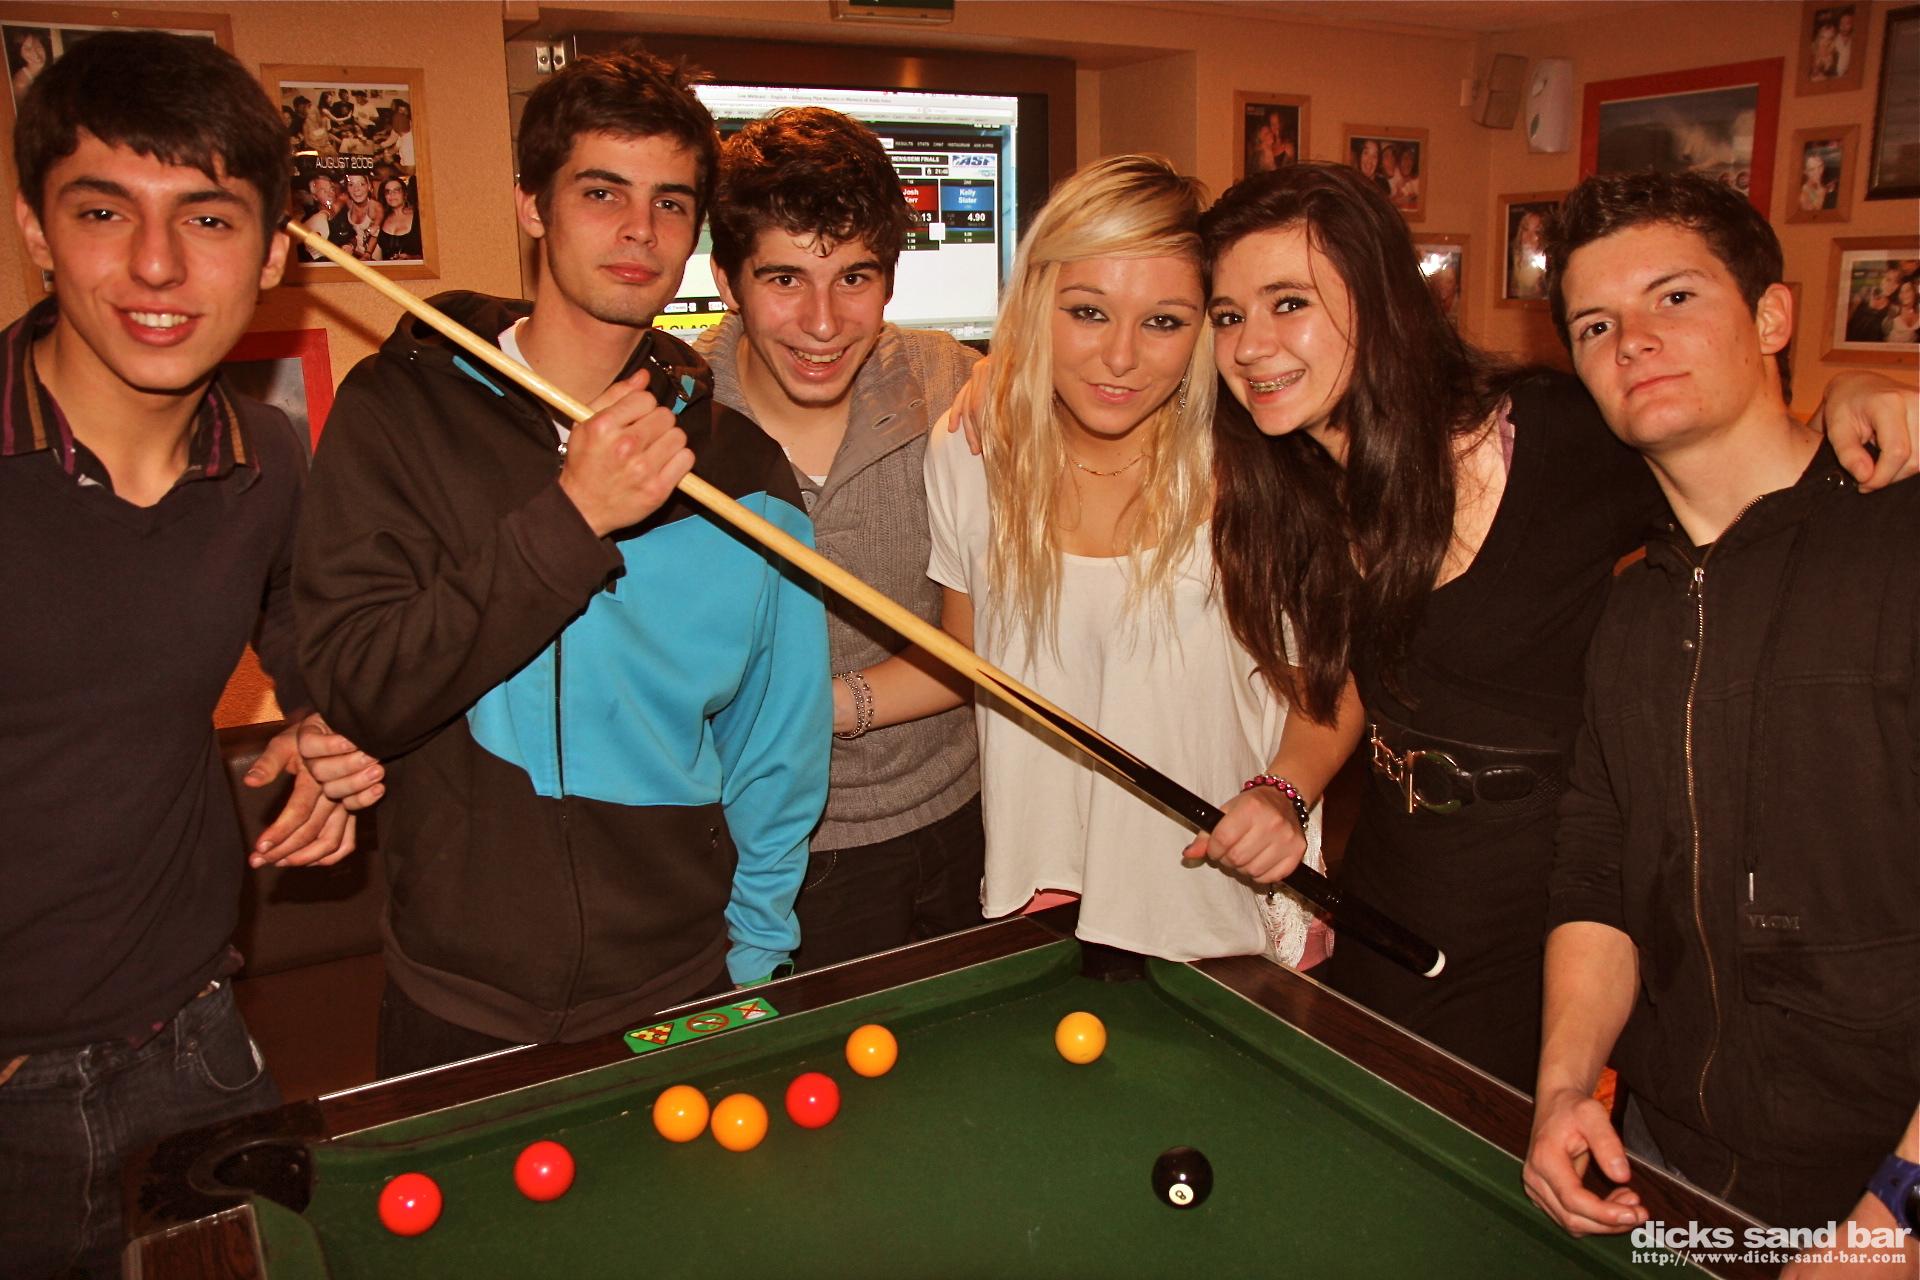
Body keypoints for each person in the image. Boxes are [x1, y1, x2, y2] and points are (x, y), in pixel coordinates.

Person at [1196, 162, 1918, 1090]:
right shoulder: (1294, 485)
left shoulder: (1552, 434)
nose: (1251, 345)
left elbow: (1742, 474)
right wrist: (1284, 790)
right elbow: (1348, 679)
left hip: (1543, 902)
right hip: (1390, 881)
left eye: (1288, 303)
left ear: (1378, 303)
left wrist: (1855, 391)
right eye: (1228, 316)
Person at [295, 48, 830, 1079]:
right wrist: (574, 515)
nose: (640, 231)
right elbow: (362, 688)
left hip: (684, 979)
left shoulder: (743, 471)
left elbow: (778, 747)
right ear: (531, 204)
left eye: (671, 203)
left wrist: (757, 959)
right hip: (456, 993)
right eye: (601, 192)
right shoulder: (399, 413)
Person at [0, 32, 376, 1278]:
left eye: (207, 218)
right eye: (104, 210)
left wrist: (320, 723)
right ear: (37, 227)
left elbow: (302, 626)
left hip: (201, 1042)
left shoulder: (266, 459)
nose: (157, 264)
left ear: (272, 253)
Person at [1525, 171, 1919, 1257]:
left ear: (1773, 317)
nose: (1634, 341)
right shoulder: (1630, 609)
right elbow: (1597, 871)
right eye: (1596, 324)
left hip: (1879, 1184)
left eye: (1676, 296)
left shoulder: (1900, 546)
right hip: (1670, 1171)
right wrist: (1562, 1090)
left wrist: (1898, 1212)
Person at [856, 155, 1356, 967]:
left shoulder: (1258, 465)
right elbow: (971, 657)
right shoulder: (969, 453)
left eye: (1164, 322)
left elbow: (1332, 681)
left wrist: (1283, 793)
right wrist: (824, 705)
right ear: (1037, 304)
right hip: (1047, 895)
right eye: (1088, 312)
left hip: (1223, 901)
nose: (1121, 357)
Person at [696, 107, 986, 971]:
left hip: (970, 815)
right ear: (726, 280)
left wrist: (826, 705)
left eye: (853, 277)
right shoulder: (671, 423)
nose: (823, 323)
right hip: (766, 853)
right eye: (785, 279)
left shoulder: (953, 383)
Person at [373, 175, 421, 260]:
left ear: (405, 194)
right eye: (388, 191)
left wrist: (411, 257)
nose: (392, 194)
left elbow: (432, 253)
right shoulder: (381, 218)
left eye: (397, 190)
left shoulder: (419, 217)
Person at [340, 170, 380, 259]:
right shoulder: (348, 204)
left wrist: (367, 254)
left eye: (361, 184)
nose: (356, 189)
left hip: (373, 257)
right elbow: (352, 233)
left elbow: (376, 234)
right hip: (355, 255)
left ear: (369, 186)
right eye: (351, 185)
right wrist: (350, 245)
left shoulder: (375, 207)